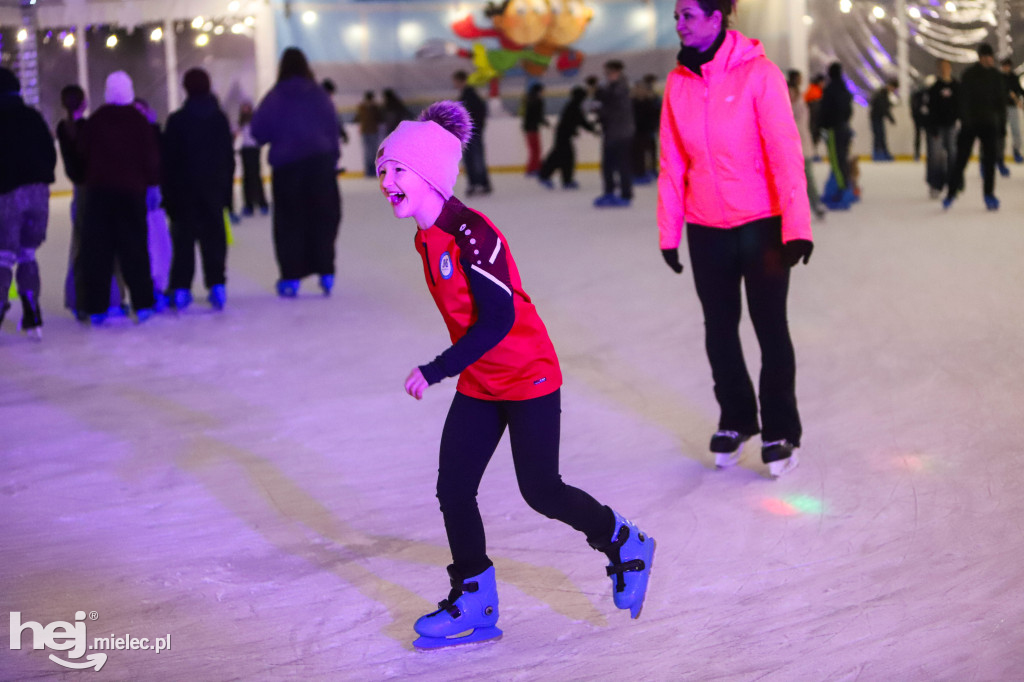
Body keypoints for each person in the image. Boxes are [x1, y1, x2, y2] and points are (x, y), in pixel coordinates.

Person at [376, 101, 654, 649]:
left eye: (398, 170)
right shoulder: (426, 236)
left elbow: (499, 319)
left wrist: (436, 370)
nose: (387, 180)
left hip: (527, 375)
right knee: (453, 488)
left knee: (541, 490)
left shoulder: (474, 235)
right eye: (383, 169)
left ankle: (623, 542)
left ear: (430, 173)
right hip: (482, 380)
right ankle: (474, 602)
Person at [658, 0, 812, 478]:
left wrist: (797, 226)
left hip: (762, 224)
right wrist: (669, 232)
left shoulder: (759, 74)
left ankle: (781, 429)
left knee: (770, 329)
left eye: (687, 14)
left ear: (716, 17)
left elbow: (786, 152)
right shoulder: (678, 82)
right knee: (719, 330)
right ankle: (737, 418)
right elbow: (672, 165)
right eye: (677, 14)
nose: (678, 22)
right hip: (707, 228)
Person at [251, 47, 342, 297]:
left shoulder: (275, 96)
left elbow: (258, 132)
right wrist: (332, 159)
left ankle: (290, 278)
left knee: (289, 221)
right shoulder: (319, 94)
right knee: (322, 218)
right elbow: (332, 128)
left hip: (287, 168)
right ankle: (326, 273)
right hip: (320, 165)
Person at [76, 71, 159, 324]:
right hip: (131, 193)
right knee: (135, 249)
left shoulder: (97, 120)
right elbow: (151, 158)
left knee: (98, 251)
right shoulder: (138, 121)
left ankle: (97, 307)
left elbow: (81, 154)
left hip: (99, 194)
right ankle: (143, 304)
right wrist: (152, 183)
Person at [161, 68, 235, 311]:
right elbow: (228, 159)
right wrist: (226, 194)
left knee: (183, 241)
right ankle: (217, 286)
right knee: (214, 240)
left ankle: (181, 289)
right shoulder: (219, 119)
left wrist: (168, 197)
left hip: (184, 193)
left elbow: (168, 163)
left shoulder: (177, 121)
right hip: (213, 191)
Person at [55, 84, 124, 317]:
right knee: (107, 245)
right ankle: (112, 298)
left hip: (79, 192)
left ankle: (78, 301)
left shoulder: (63, 128)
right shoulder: (91, 127)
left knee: (80, 248)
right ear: (83, 103)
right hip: (98, 189)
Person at [0, 67, 56, 339]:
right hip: (38, 194)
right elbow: (49, 152)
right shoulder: (33, 117)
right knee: (27, 254)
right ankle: (33, 314)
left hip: (7, 194)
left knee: (2, 257)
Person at [943, 43, 1007, 211]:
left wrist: (1001, 126)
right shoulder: (969, 75)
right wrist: (966, 120)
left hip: (990, 124)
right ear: (980, 58)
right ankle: (951, 193)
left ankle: (989, 194)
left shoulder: (996, 76)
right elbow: (963, 100)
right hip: (970, 125)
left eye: (990, 56)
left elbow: (1001, 103)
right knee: (961, 160)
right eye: (986, 56)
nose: (989, 59)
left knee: (989, 162)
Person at [592, 60, 636, 207]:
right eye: (606, 72)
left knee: (622, 165)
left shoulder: (620, 88)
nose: (607, 75)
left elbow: (614, 110)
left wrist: (599, 108)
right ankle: (609, 192)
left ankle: (625, 195)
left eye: (609, 72)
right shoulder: (612, 88)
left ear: (617, 71)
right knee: (608, 165)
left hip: (620, 133)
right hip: (612, 131)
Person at [537, 85, 597, 189]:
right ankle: (554, 178)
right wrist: (592, 129)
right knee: (562, 157)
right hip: (563, 135)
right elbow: (581, 122)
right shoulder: (574, 106)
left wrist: (589, 128)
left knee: (561, 157)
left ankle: (556, 177)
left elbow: (577, 121)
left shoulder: (573, 105)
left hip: (563, 135)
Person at [788, 69, 826, 219]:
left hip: (802, 149)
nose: (790, 95)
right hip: (789, 150)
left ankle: (816, 204)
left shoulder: (801, 106)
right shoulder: (784, 106)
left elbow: (798, 126)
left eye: (792, 92)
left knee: (808, 178)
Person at [818, 61, 856, 209]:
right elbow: (849, 110)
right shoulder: (844, 89)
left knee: (836, 161)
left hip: (834, 130)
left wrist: (823, 126)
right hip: (844, 128)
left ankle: (843, 191)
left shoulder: (830, 90)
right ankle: (846, 187)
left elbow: (825, 111)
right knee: (843, 159)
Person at [453, 70, 492, 195]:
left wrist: (475, 128)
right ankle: (477, 183)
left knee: (475, 158)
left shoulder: (469, 96)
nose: (455, 84)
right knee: (471, 159)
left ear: (461, 81)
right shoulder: (466, 95)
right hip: (469, 133)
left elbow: (478, 113)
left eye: (456, 81)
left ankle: (480, 183)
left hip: (472, 134)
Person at [925, 59, 959, 199]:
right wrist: (932, 128)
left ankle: (953, 185)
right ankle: (935, 185)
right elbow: (930, 109)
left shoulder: (957, 86)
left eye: (947, 67)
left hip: (952, 126)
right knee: (936, 157)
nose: (945, 69)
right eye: (942, 67)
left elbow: (961, 105)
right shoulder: (934, 88)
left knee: (953, 156)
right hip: (937, 127)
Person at [237, 101, 269, 216]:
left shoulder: (255, 121)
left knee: (255, 176)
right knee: (247, 177)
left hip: (254, 150)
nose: (245, 110)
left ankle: (262, 203)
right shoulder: (241, 122)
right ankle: (248, 204)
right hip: (245, 150)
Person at [631, 74, 662, 184]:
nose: (640, 91)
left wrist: (654, 128)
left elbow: (655, 116)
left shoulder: (650, 102)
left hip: (647, 131)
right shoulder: (632, 103)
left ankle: (648, 170)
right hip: (635, 132)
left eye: (642, 89)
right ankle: (637, 172)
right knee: (636, 153)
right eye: (638, 88)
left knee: (649, 151)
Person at [999, 58, 1023, 166]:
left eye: (1007, 65)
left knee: (1016, 130)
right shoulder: (999, 77)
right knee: (1001, 132)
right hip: (1002, 107)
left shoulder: (1014, 77)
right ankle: (999, 154)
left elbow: (1019, 90)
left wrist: (1018, 99)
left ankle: (1016, 151)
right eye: (1004, 65)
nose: (1006, 67)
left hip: (1012, 107)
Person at [521, 82, 548, 176]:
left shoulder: (529, 99)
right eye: (542, 91)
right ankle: (533, 169)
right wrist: (545, 123)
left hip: (528, 128)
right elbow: (538, 115)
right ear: (539, 91)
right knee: (536, 150)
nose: (543, 92)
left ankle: (534, 168)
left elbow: (533, 115)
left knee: (534, 150)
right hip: (533, 129)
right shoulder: (538, 100)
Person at [354, 90, 382, 177]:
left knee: (368, 152)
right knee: (372, 152)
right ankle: (371, 171)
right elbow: (379, 118)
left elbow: (357, 118)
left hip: (366, 131)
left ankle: (369, 171)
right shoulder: (374, 107)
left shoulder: (362, 107)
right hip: (372, 131)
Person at [869, 78, 898, 161]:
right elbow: (883, 107)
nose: (893, 91)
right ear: (891, 86)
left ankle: (882, 154)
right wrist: (890, 118)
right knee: (879, 136)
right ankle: (878, 154)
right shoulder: (882, 94)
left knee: (881, 136)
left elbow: (885, 106)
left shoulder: (883, 93)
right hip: (876, 118)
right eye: (894, 89)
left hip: (878, 118)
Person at [803, 73, 825, 160]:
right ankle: (812, 154)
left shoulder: (812, 90)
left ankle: (812, 153)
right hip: (814, 121)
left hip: (812, 121)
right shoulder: (816, 92)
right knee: (813, 136)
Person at [910, 79, 930, 161]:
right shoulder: (917, 95)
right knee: (918, 136)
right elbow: (914, 107)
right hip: (918, 119)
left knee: (928, 137)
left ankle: (929, 153)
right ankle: (917, 154)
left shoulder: (929, 94)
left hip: (926, 119)